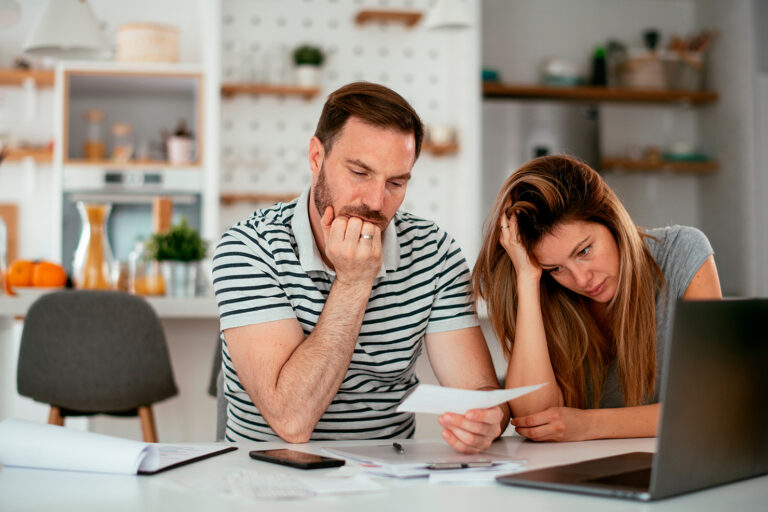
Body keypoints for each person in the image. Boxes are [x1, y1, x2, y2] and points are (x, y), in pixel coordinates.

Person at [212, 82, 508, 452]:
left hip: (389, 477)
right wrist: (353, 282)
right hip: (269, 477)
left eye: (396, 183)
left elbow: (477, 391)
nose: (375, 202)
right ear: (316, 157)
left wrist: (489, 418)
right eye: (359, 173)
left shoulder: (435, 251)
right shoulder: (248, 248)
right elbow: (291, 420)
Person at [472, 154, 722, 442]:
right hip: (578, 473)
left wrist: (589, 424)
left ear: (611, 218)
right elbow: (535, 416)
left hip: (669, 467)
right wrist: (528, 278)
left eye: (584, 251)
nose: (581, 280)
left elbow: (708, 407)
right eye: (556, 268)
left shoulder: (682, 254)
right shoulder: (544, 289)